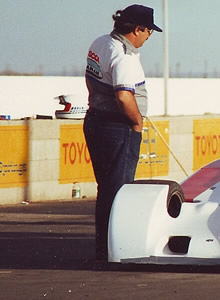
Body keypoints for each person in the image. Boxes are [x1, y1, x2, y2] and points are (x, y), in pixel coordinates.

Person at [83, 4, 162, 262]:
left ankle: (101, 248)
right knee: (119, 190)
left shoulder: (101, 43)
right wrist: (137, 122)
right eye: (149, 31)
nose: (149, 37)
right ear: (137, 29)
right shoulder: (126, 57)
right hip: (118, 127)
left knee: (106, 189)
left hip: (95, 119)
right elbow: (124, 96)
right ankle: (112, 252)